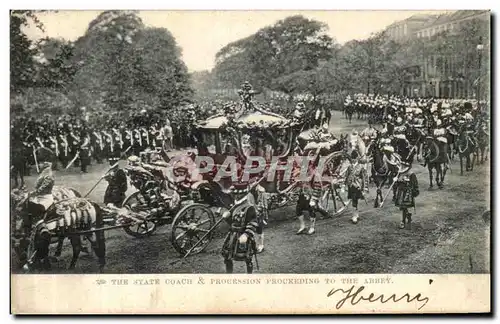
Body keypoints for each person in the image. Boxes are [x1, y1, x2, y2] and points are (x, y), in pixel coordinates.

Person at [344, 150, 367, 224]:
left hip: (357, 186)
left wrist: (364, 189)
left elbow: (364, 178)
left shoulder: (361, 167)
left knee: (354, 200)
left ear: (357, 158)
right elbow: (346, 176)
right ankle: (356, 214)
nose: (353, 159)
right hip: (351, 186)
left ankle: (354, 215)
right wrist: (344, 185)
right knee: (354, 200)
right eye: (352, 158)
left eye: (354, 158)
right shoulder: (349, 167)